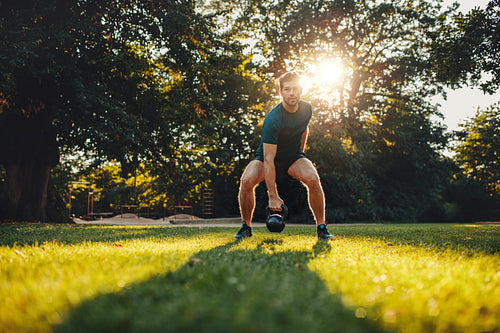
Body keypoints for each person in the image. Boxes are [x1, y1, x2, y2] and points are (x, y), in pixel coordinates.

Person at [234, 71, 334, 240]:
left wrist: (300, 153)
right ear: (281, 92)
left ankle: (321, 228)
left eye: (295, 89)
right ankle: (246, 227)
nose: (292, 93)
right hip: (267, 157)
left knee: (313, 178)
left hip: (292, 156)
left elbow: (304, 128)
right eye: (287, 89)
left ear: (301, 90)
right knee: (246, 181)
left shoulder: (306, 109)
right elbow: (268, 159)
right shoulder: (273, 119)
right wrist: (273, 196)